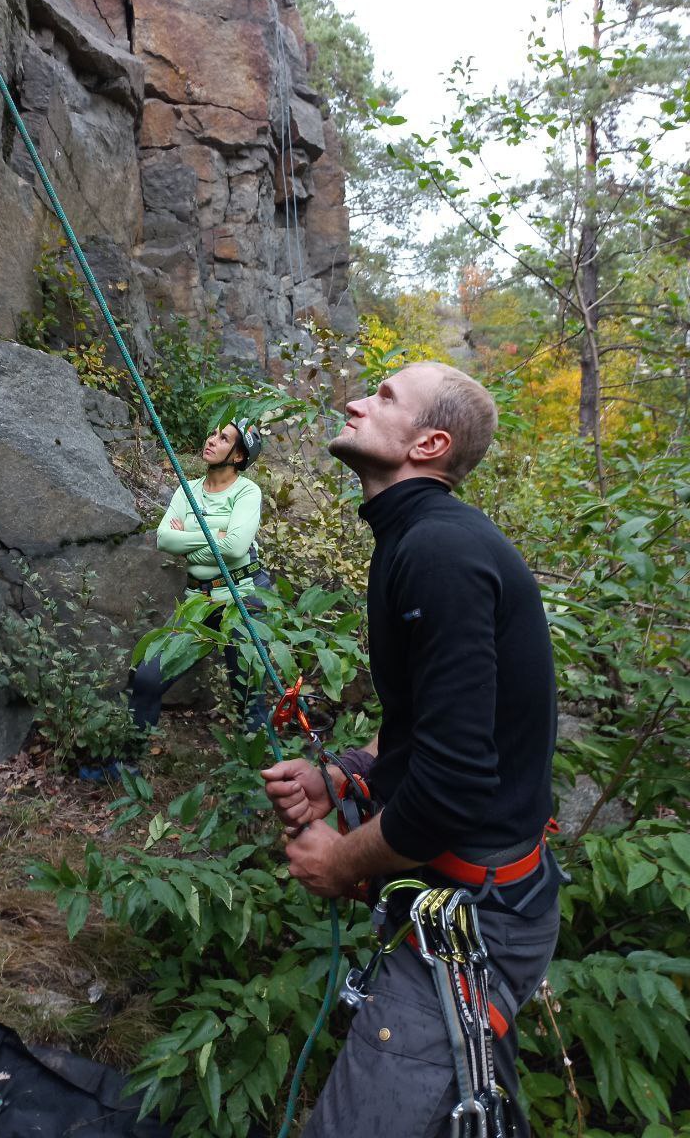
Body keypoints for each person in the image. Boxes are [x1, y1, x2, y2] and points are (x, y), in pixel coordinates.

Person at [262, 361, 561, 1138]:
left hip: (477, 917)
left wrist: (340, 863)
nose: (355, 400)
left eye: (384, 396)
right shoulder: (418, 539)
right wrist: (344, 776)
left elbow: (457, 783)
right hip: (472, 898)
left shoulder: (437, 551)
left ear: (429, 444)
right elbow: (431, 726)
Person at [129, 418, 271, 733]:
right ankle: (126, 761)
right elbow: (163, 539)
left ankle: (261, 769)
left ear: (238, 456)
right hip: (199, 598)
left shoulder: (247, 492)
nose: (211, 440)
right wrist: (214, 537)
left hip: (243, 595)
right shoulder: (187, 489)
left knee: (248, 694)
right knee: (148, 677)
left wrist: (189, 542)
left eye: (224, 438)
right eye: (213, 433)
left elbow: (235, 549)